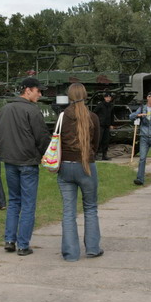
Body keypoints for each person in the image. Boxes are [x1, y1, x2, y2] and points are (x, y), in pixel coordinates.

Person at [0, 77, 50, 256]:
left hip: (10, 162)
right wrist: (45, 155)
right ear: (27, 90)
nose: (40, 94)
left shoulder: (5, 109)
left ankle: (10, 240)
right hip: (27, 163)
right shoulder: (32, 111)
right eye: (38, 91)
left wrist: (6, 152)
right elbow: (42, 138)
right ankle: (23, 245)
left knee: (14, 202)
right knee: (27, 204)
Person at [57, 83, 103, 261]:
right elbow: (96, 144)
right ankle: (92, 248)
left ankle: (70, 253)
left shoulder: (62, 117)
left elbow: (57, 140)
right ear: (85, 95)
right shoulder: (92, 117)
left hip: (65, 166)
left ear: (69, 96)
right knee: (90, 208)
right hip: (86, 165)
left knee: (68, 211)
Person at [93, 91, 114, 160]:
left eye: (109, 97)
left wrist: (111, 124)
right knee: (98, 140)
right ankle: (95, 155)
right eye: (107, 97)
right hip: (100, 125)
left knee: (106, 141)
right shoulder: (100, 105)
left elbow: (112, 115)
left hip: (107, 125)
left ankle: (104, 155)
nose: (108, 99)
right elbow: (94, 113)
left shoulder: (111, 106)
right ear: (104, 98)